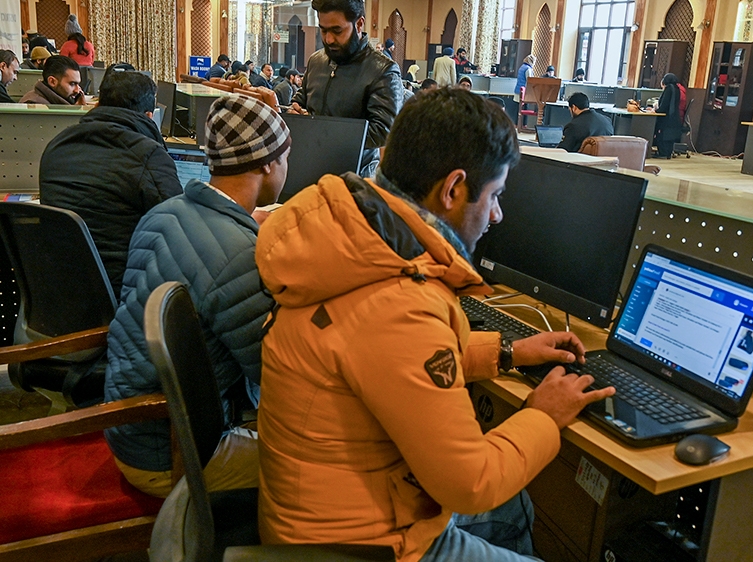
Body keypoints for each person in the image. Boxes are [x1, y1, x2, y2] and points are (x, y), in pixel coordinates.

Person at [255, 86, 613, 561]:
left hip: (314, 516)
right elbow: (473, 482)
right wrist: (542, 414)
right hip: (367, 545)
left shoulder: (352, 245)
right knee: (506, 494)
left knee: (516, 506)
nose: (497, 215)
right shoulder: (399, 299)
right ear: (452, 189)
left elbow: (384, 363)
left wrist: (507, 353)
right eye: (494, 195)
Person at [104, 95, 291, 498]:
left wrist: (246, 221)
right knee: (346, 460)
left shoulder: (165, 212)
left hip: (130, 427)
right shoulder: (240, 254)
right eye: (287, 156)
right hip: (172, 453)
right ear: (266, 163)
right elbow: (280, 377)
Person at [39, 71, 183, 299]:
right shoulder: (148, 155)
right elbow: (181, 231)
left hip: (58, 291)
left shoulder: (57, 145)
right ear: (148, 115)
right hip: (124, 295)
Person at [290, 0, 403, 178]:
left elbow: (383, 131)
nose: (328, 39)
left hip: (354, 178)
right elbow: (300, 99)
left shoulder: (382, 70)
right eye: (324, 30)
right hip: (309, 167)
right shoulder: (316, 61)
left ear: (359, 24)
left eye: (337, 31)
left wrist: (322, 130)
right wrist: (294, 112)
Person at [19, 55, 84, 105]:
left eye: (78, 84)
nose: (77, 90)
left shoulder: (53, 101)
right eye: (72, 84)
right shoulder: (36, 105)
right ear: (52, 81)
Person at [653, 73, 687, 158]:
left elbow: (663, 107)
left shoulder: (668, 89)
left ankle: (662, 153)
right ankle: (667, 152)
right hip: (675, 118)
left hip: (667, 119)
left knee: (657, 127)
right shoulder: (677, 89)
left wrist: (654, 111)